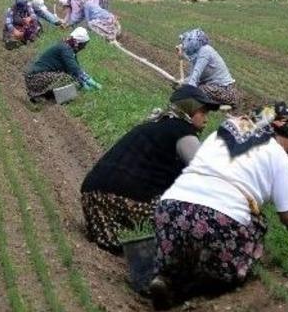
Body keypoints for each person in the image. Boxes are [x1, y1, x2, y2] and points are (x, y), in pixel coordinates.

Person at [149, 103, 288, 308]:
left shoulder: (219, 135)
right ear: (278, 130)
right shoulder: (276, 153)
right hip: (219, 220)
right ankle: (194, 289)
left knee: (183, 249)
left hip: (169, 210)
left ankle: (167, 277)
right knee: (254, 226)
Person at [81, 85, 225, 253]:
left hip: (92, 196)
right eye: (203, 112)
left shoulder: (155, 124)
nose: (206, 118)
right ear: (189, 108)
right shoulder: (181, 131)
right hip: (122, 199)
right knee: (193, 219)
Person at [24, 27, 101, 102]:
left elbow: (75, 67)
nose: (84, 48)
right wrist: (87, 80)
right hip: (35, 78)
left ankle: (47, 98)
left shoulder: (66, 48)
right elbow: (74, 69)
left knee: (74, 81)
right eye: (84, 45)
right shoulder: (65, 49)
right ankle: (48, 99)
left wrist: (84, 79)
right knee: (69, 79)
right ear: (78, 43)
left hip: (35, 77)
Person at [178, 29, 238, 107]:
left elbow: (195, 75)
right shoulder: (196, 55)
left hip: (226, 91)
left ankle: (214, 105)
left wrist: (185, 88)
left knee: (196, 91)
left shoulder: (205, 52)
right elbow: (192, 77)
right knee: (188, 88)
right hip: (214, 87)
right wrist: (180, 83)